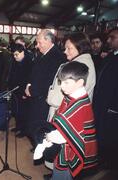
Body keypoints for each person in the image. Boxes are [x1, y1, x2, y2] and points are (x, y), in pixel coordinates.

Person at [45, 62, 97, 180]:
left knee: (62, 176)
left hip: (68, 153)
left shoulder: (80, 106)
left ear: (80, 83)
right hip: (63, 147)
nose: (62, 86)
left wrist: (49, 136)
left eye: (66, 82)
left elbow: (66, 136)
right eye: (61, 82)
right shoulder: (71, 96)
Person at [25, 29, 66, 147]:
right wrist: (28, 85)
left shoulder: (57, 57)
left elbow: (49, 81)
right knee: (33, 125)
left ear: (48, 40)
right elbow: (33, 73)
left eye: (39, 42)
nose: (37, 46)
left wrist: (31, 90)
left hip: (43, 99)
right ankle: (37, 144)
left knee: (41, 126)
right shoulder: (42, 55)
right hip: (35, 96)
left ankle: (41, 147)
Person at [47, 32, 96, 122]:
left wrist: (50, 97)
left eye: (69, 48)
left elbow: (58, 99)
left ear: (80, 48)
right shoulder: (86, 62)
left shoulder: (78, 66)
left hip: (65, 116)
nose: (65, 51)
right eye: (65, 48)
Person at [93, 28, 118, 169]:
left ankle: (110, 163)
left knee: (110, 137)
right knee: (101, 133)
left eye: (112, 38)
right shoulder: (109, 56)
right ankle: (101, 158)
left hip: (113, 107)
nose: (108, 41)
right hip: (101, 103)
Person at [8, 44, 33, 138]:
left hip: (23, 92)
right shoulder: (15, 62)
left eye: (16, 54)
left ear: (23, 52)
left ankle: (24, 130)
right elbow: (11, 75)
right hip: (15, 91)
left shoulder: (29, 63)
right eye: (13, 55)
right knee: (16, 110)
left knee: (23, 113)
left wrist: (24, 93)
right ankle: (18, 126)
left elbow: (28, 80)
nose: (15, 57)